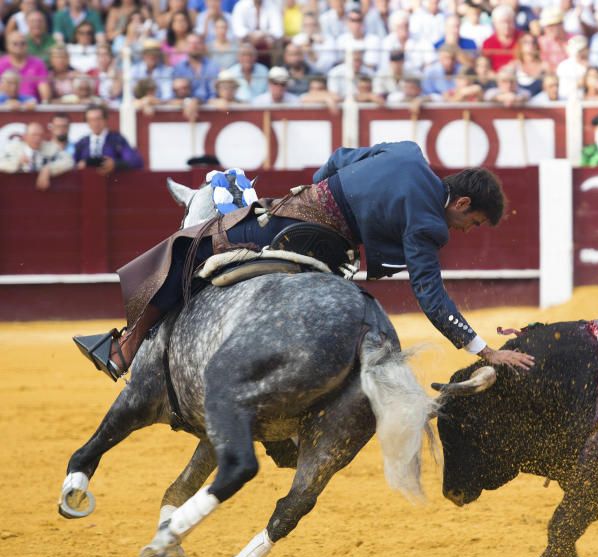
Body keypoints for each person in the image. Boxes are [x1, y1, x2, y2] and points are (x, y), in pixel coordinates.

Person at [73, 141, 535, 380]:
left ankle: (124, 346)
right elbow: (430, 294)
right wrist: (484, 350)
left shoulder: (408, 152)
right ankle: (129, 350)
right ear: (461, 203)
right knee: (199, 245)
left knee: (195, 244)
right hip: (324, 247)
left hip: (295, 218)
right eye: (473, 223)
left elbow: (337, 159)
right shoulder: (429, 223)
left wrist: (316, 194)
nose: (465, 232)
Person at [0, 120, 74, 189]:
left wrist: (48, 169)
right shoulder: (13, 148)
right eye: (34, 135)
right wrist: (17, 162)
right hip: (16, 190)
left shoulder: (50, 148)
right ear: (25, 137)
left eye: (40, 135)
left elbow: (69, 161)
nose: (37, 138)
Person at [73, 104, 144, 174]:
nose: (95, 123)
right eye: (91, 120)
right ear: (87, 122)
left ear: (105, 119)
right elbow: (72, 164)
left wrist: (115, 164)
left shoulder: (117, 140)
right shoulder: (82, 143)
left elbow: (135, 161)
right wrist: (78, 166)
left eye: (98, 119)